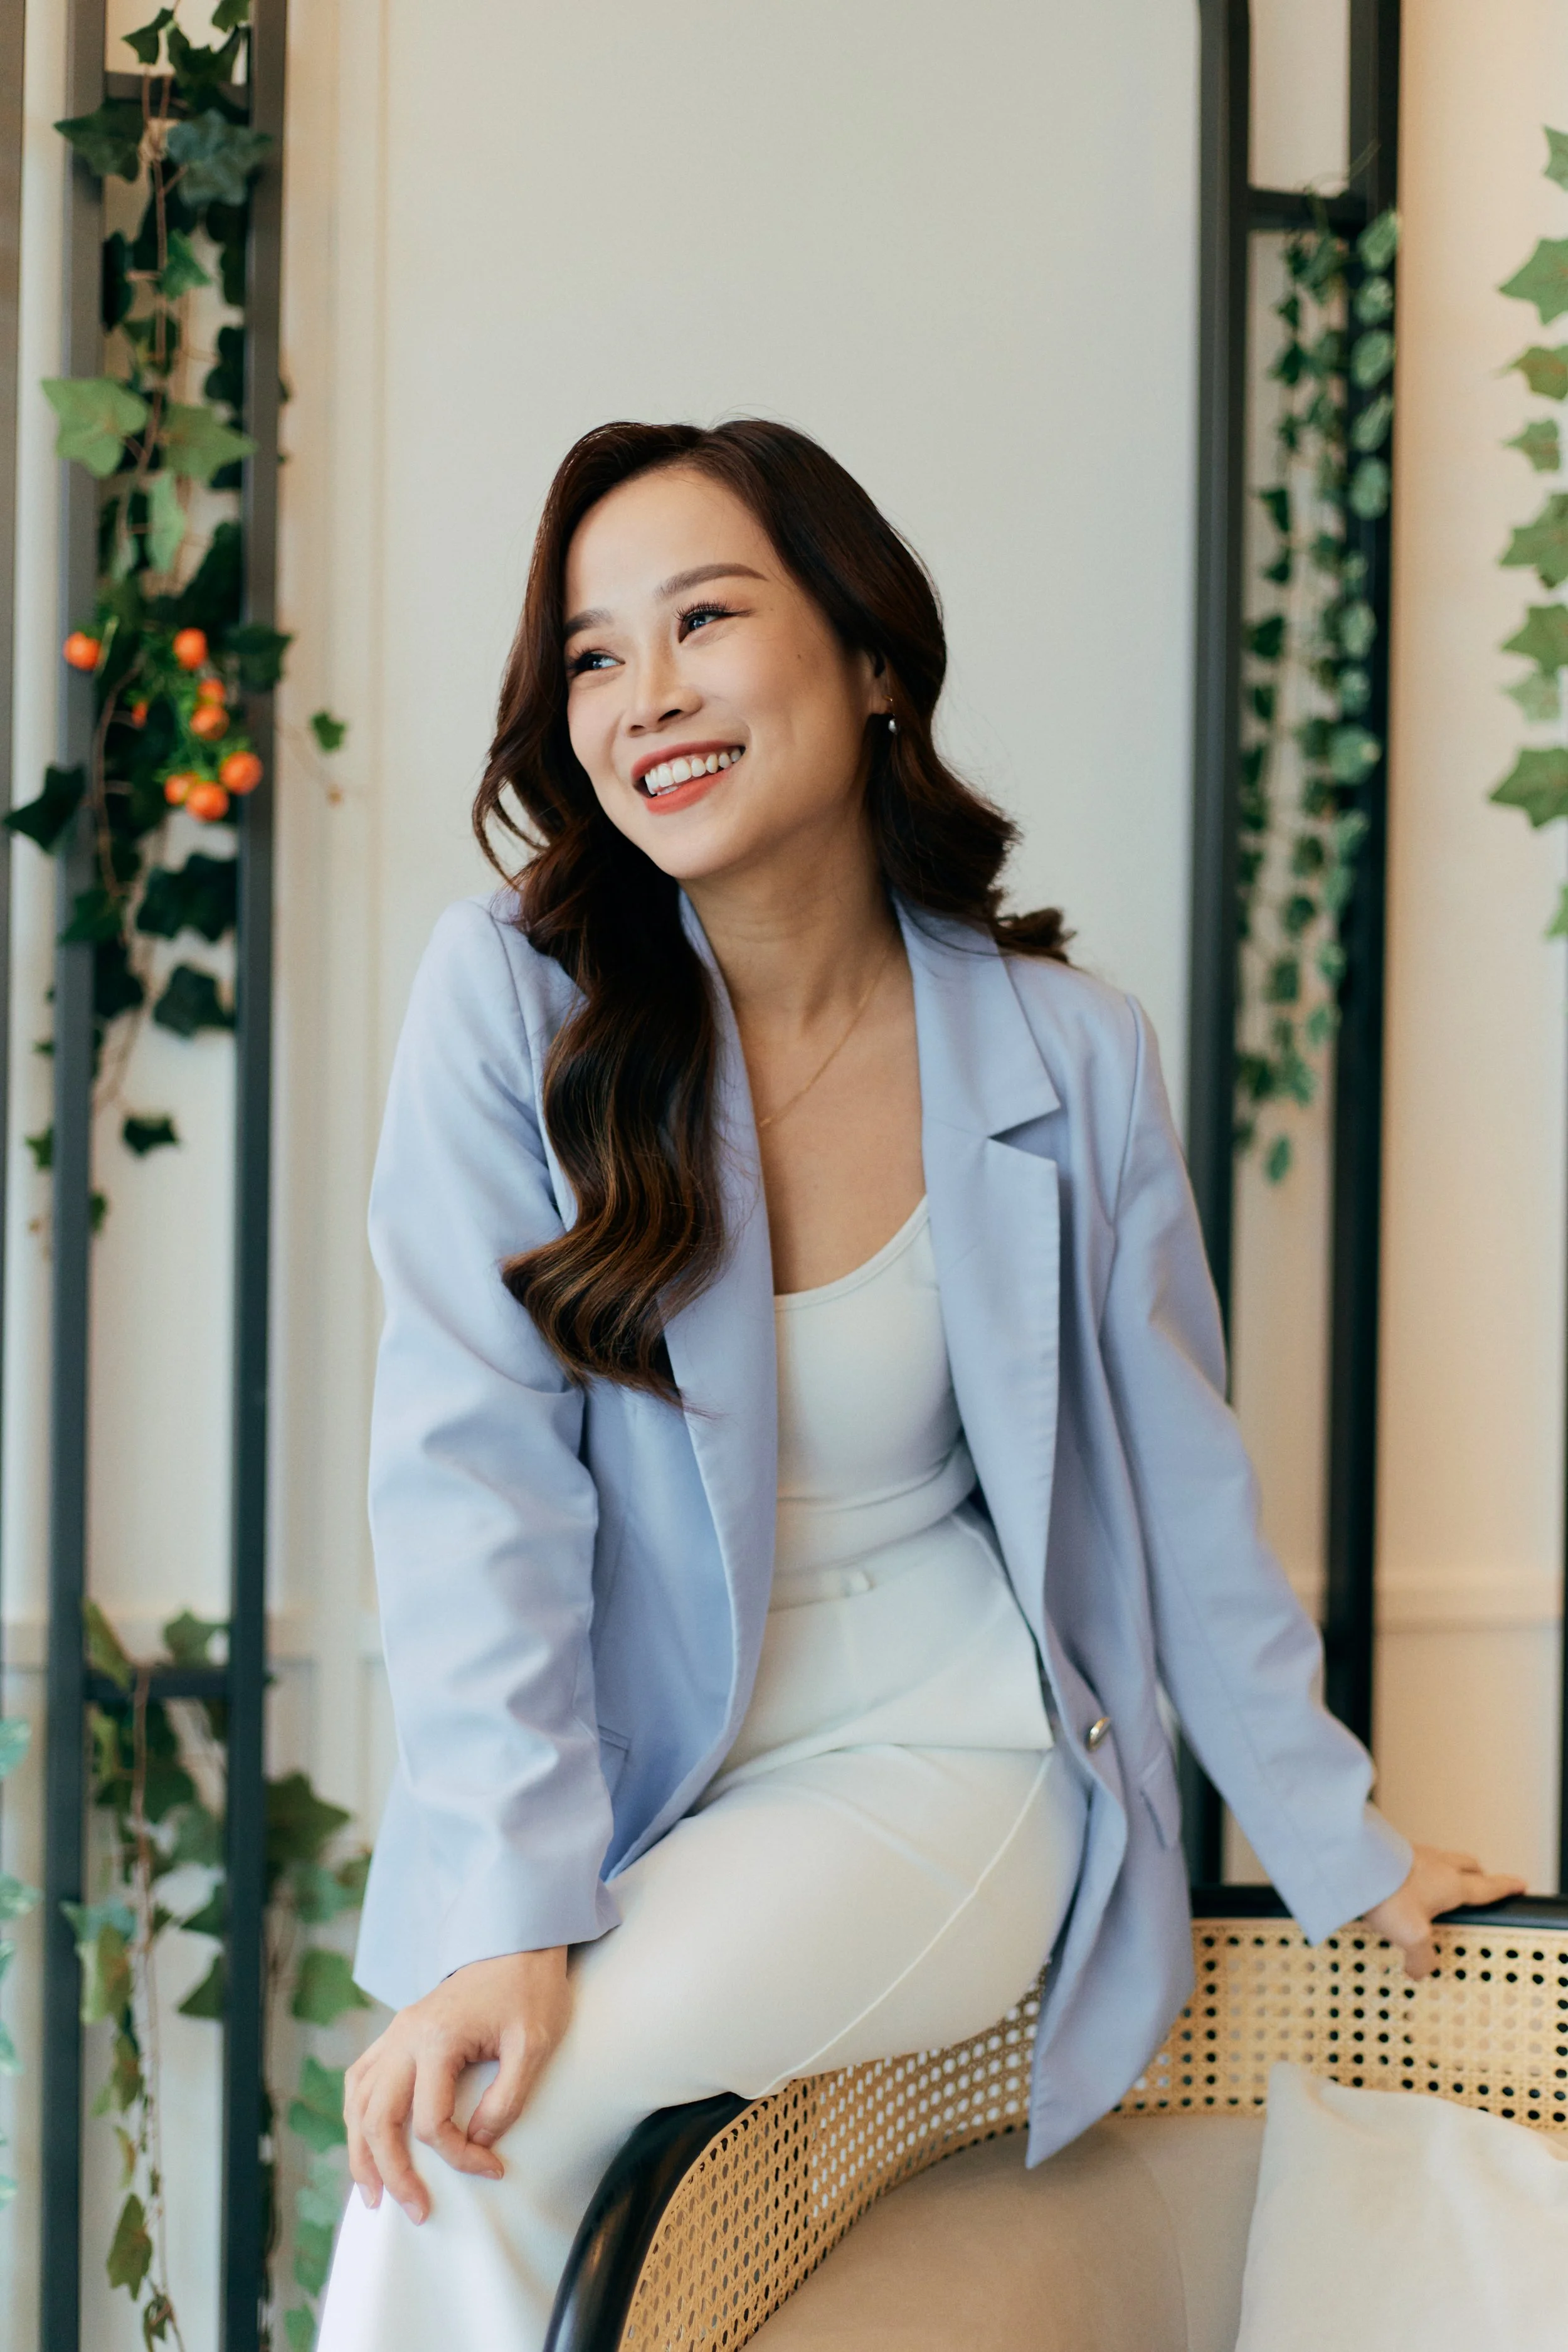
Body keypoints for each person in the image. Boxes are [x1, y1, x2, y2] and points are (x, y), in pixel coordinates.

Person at [316, 419, 1523, 2348]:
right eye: (594, 655)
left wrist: (1340, 1845)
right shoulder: (511, 1004)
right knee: (459, 2118)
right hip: (646, 1779)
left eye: (704, 617)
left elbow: (1180, 1493)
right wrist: (503, 1909)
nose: (647, 695)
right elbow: (471, 1484)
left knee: (488, 2120)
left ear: (872, 659)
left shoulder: (1067, 1052)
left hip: (948, 1760)